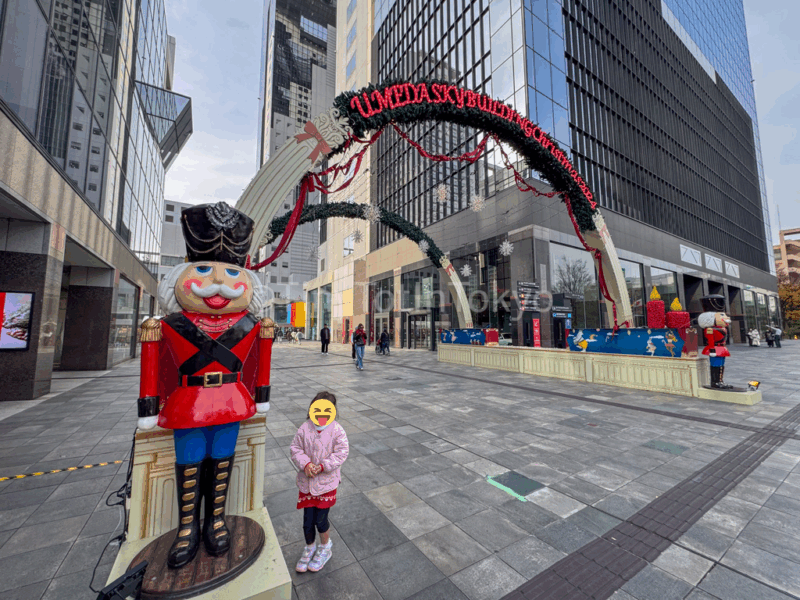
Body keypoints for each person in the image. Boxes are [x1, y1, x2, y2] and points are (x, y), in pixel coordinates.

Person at [136, 203, 273, 569]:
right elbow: (154, 364)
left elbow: (260, 362)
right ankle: (186, 527)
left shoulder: (251, 326)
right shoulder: (167, 325)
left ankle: (215, 520)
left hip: (231, 399)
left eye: (232, 271)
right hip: (188, 401)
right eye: (202, 269)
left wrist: (262, 397)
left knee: (222, 460)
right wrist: (148, 408)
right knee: (191, 460)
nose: (218, 282)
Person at [290, 391, 349, 573]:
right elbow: (295, 448)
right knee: (308, 520)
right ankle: (309, 547)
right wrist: (306, 464)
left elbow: (341, 452)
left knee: (321, 519)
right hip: (307, 482)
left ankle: (325, 547)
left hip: (326, 483)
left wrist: (323, 466)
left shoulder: (337, 430)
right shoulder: (304, 428)